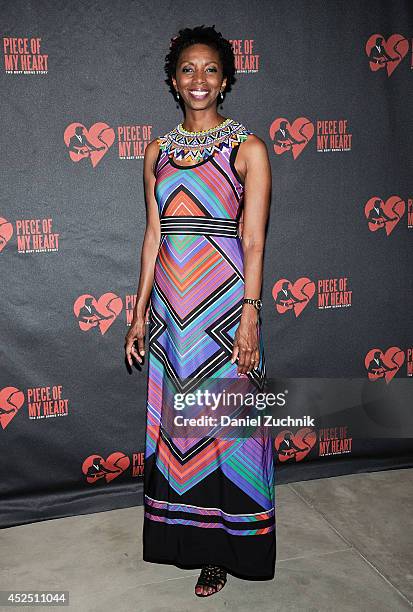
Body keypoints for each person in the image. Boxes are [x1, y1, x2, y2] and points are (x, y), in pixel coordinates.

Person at [125, 24, 274, 597]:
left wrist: (251, 315)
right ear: (172, 80)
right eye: (188, 69)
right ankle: (184, 540)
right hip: (170, 310)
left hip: (224, 310)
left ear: (227, 79)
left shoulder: (248, 149)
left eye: (210, 69)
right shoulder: (157, 152)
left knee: (230, 430)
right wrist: (138, 312)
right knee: (180, 430)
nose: (199, 79)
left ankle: (226, 551)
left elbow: (255, 240)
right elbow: (152, 234)